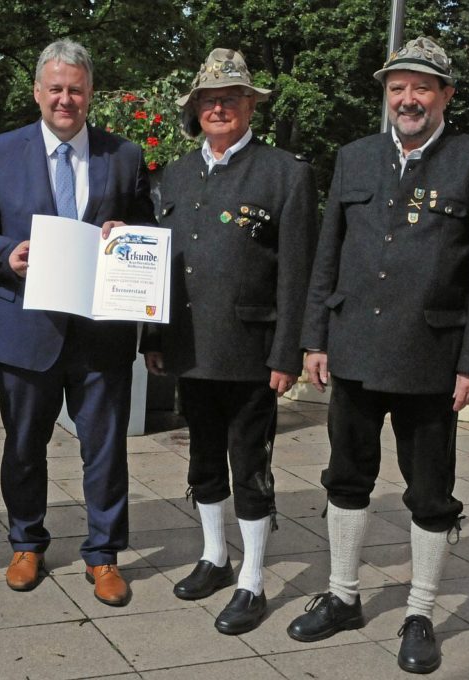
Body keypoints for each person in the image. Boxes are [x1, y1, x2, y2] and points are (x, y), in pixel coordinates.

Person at [287, 36, 469, 673]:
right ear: (386, 96)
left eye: (421, 87)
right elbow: (325, 256)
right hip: (355, 350)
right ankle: (342, 596)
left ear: (445, 95)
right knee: (346, 479)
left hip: (431, 360)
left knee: (430, 493)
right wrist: (314, 338)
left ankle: (419, 610)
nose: (407, 98)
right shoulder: (355, 159)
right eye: (397, 88)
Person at [135, 48, 317, 635]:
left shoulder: (285, 173)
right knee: (203, 459)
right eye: (209, 101)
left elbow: (298, 273)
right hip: (189, 345)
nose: (219, 108)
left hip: (250, 350)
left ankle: (253, 579)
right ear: (196, 111)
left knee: (250, 465)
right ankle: (215, 558)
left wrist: (287, 351)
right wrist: (154, 338)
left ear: (249, 108)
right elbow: (164, 263)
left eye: (230, 99)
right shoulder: (178, 173)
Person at [0, 39, 154, 606]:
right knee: (24, 445)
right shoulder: (0, 152)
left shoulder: (122, 155)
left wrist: (127, 234)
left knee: (104, 448)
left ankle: (103, 554)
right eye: (56, 89)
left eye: (75, 89)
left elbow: (148, 228)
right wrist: (8, 254)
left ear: (90, 93)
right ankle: (26, 542)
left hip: (101, 333)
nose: (65, 99)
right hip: (28, 328)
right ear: (37, 92)